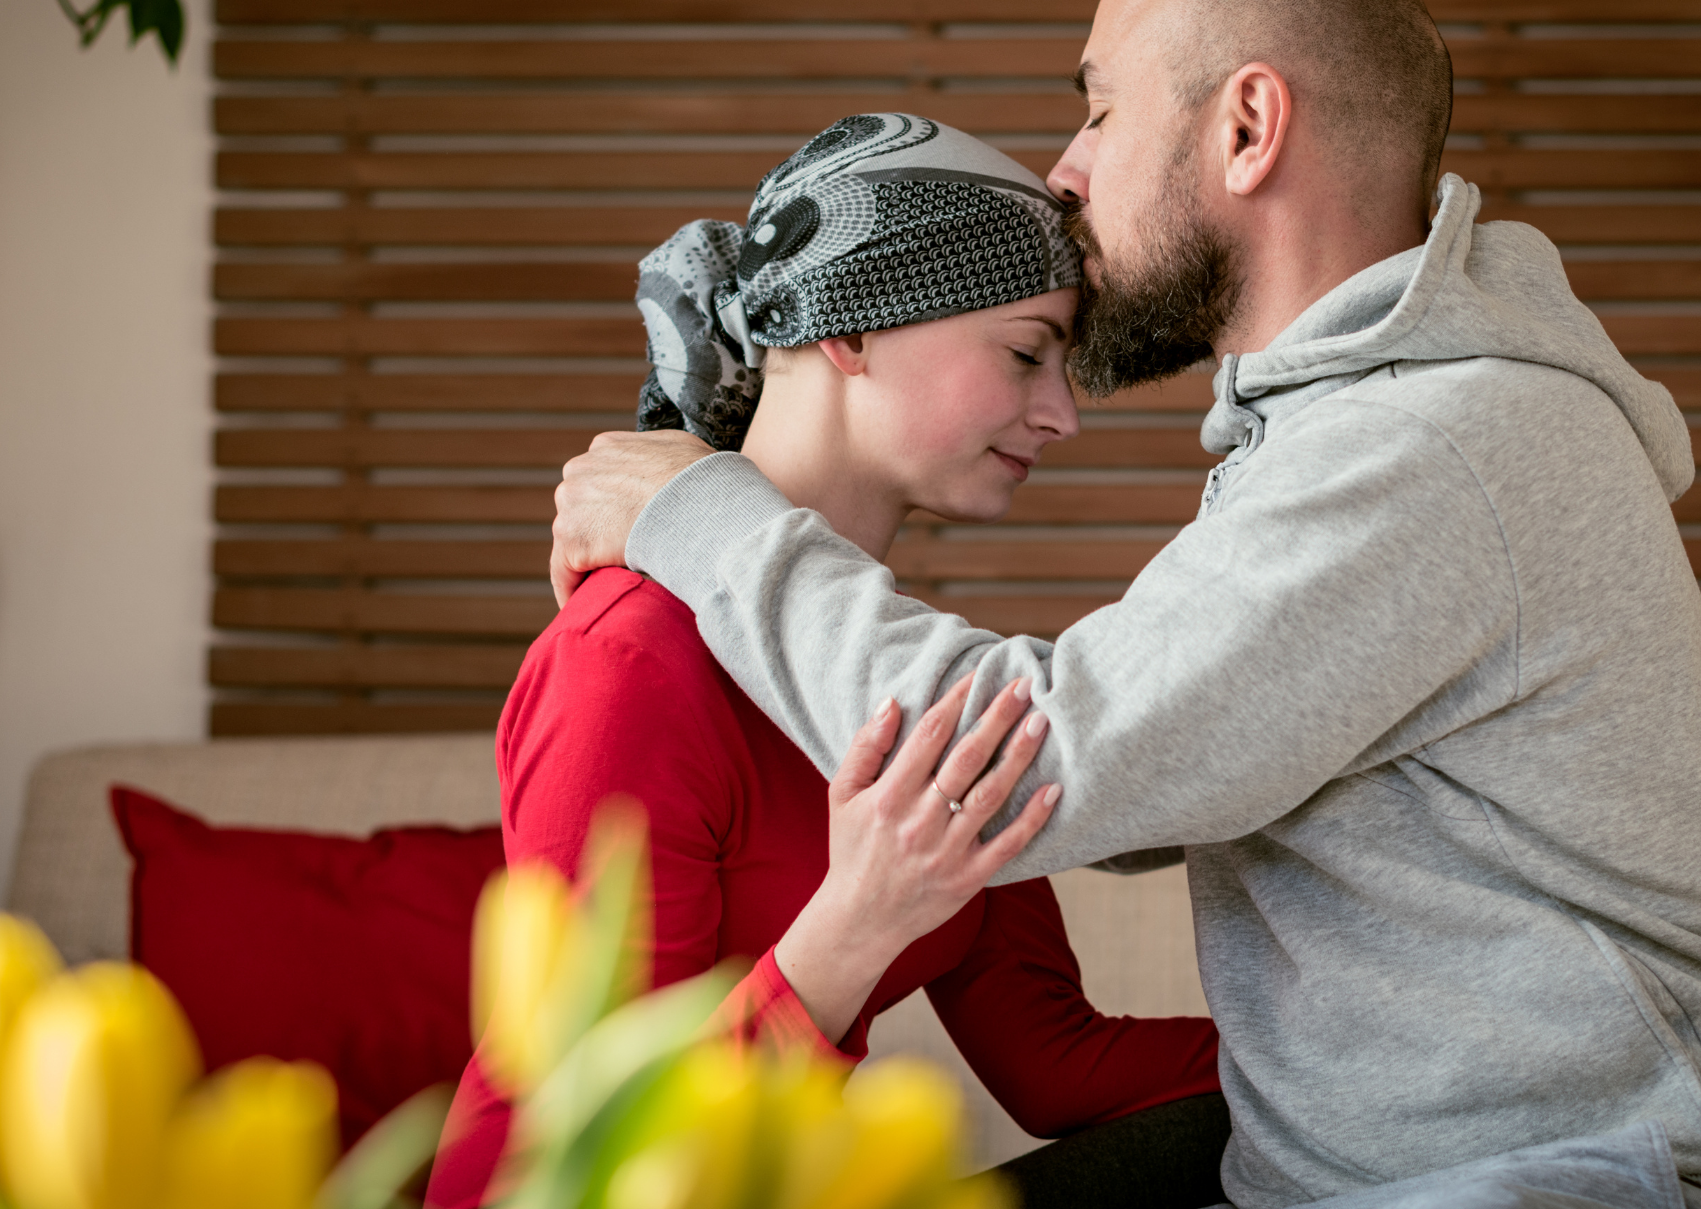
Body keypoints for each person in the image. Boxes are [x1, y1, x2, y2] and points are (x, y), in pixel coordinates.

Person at [542, 0, 1701, 1208]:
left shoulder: (1427, 444)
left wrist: (700, 518)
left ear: (1247, 128)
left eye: (1100, 109)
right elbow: (1134, 777)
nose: (1063, 172)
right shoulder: (1345, 436)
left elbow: (1047, 766)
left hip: (1606, 1173)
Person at [425, 114, 1226, 1209]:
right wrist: (859, 922)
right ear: (851, 330)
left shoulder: (898, 679)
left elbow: (1058, 1065)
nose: (1060, 415)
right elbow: (603, 1144)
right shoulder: (629, 661)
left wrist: (1399, 1074)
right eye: (1025, 353)